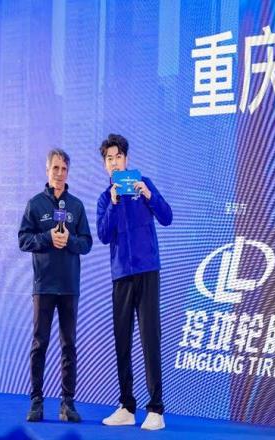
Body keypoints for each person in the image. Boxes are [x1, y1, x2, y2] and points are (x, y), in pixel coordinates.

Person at [96, 134, 172, 430]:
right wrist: (114, 204)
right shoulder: (106, 198)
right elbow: (104, 235)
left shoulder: (144, 184)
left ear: (126, 159)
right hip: (121, 277)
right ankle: (127, 406)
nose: (115, 162)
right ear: (105, 165)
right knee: (123, 342)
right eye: (109, 159)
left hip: (148, 271)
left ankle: (156, 410)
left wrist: (149, 195)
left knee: (150, 339)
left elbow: (167, 217)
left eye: (118, 157)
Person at [18, 148, 92, 422]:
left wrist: (69, 240)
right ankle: (36, 402)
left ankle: (67, 404)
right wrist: (48, 237)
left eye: (64, 169)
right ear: (47, 170)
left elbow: (86, 243)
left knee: (69, 345)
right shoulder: (35, 204)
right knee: (40, 344)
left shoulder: (76, 206)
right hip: (44, 286)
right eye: (55, 168)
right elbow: (23, 240)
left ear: (68, 172)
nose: (59, 174)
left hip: (69, 287)